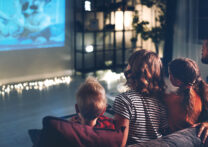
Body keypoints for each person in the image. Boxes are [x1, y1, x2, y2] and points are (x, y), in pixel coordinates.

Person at [113, 49, 168, 146]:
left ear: (133, 69)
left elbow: (119, 142)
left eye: (129, 64)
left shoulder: (124, 100)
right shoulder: (161, 99)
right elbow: (165, 131)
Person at [166, 58, 208, 143]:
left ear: (177, 82)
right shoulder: (201, 94)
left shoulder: (169, 99)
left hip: (175, 140)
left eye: (169, 74)